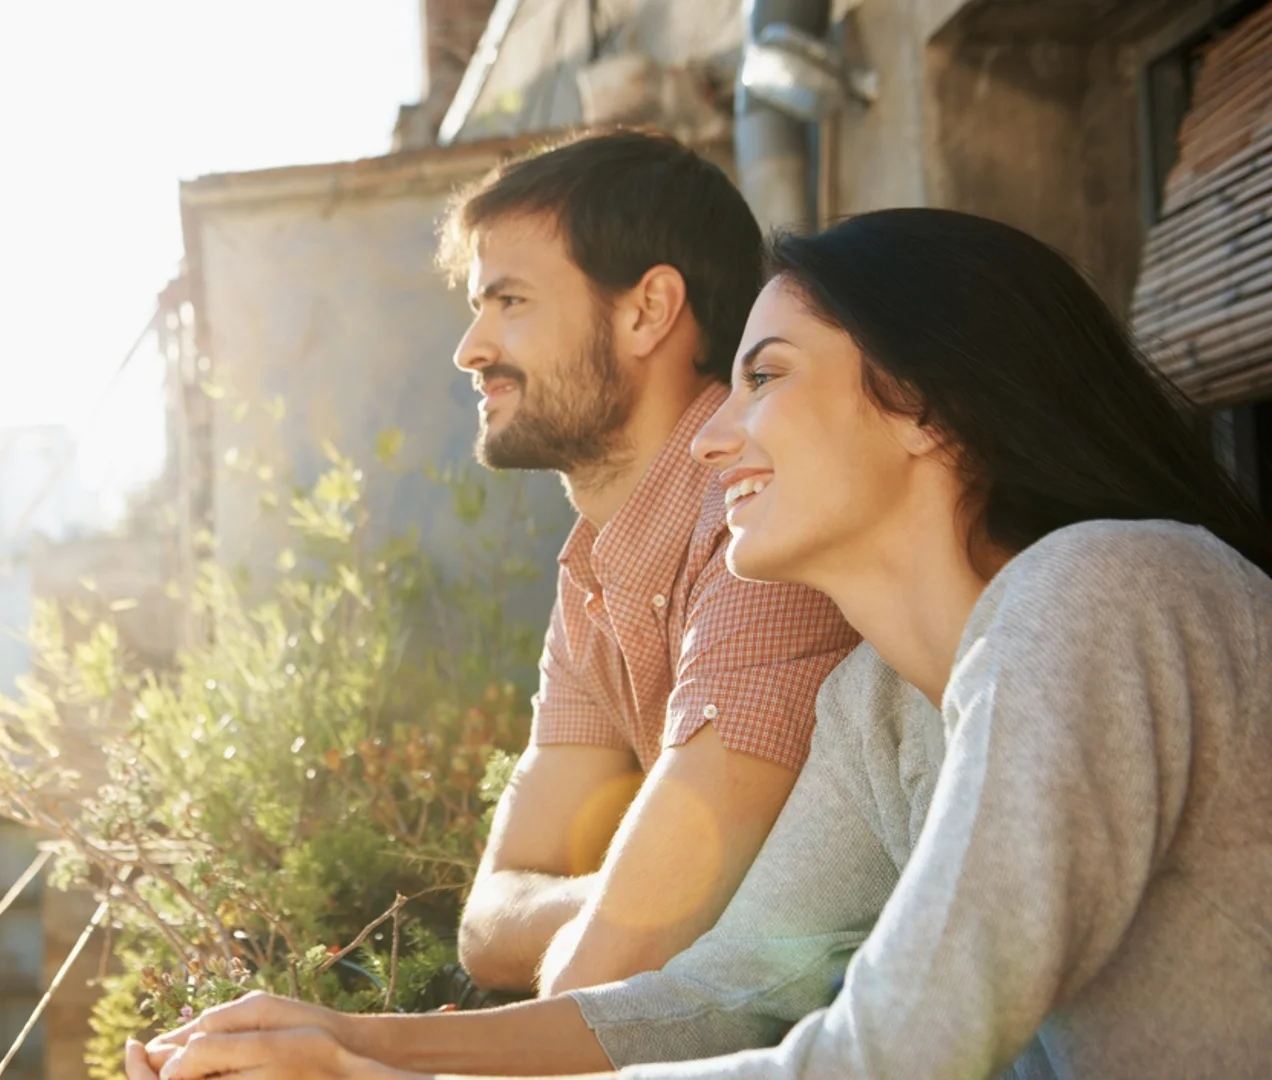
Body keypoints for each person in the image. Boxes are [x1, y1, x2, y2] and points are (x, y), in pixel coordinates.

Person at [131, 209, 1272, 1079]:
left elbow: (887, 1053)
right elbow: (722, 994)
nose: (717, 435)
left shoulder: (1110, 591)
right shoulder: (877, 704)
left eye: (765, 378)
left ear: (925, 405)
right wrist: (356, 1042)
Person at [435, 128, 856, 998]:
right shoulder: (596, 566)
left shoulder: (761, 526)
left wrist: (642, 909)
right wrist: (630, 896)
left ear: (647, 311)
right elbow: (488, 921)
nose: (471, 349)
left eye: (509, 301)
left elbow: (629, 955)